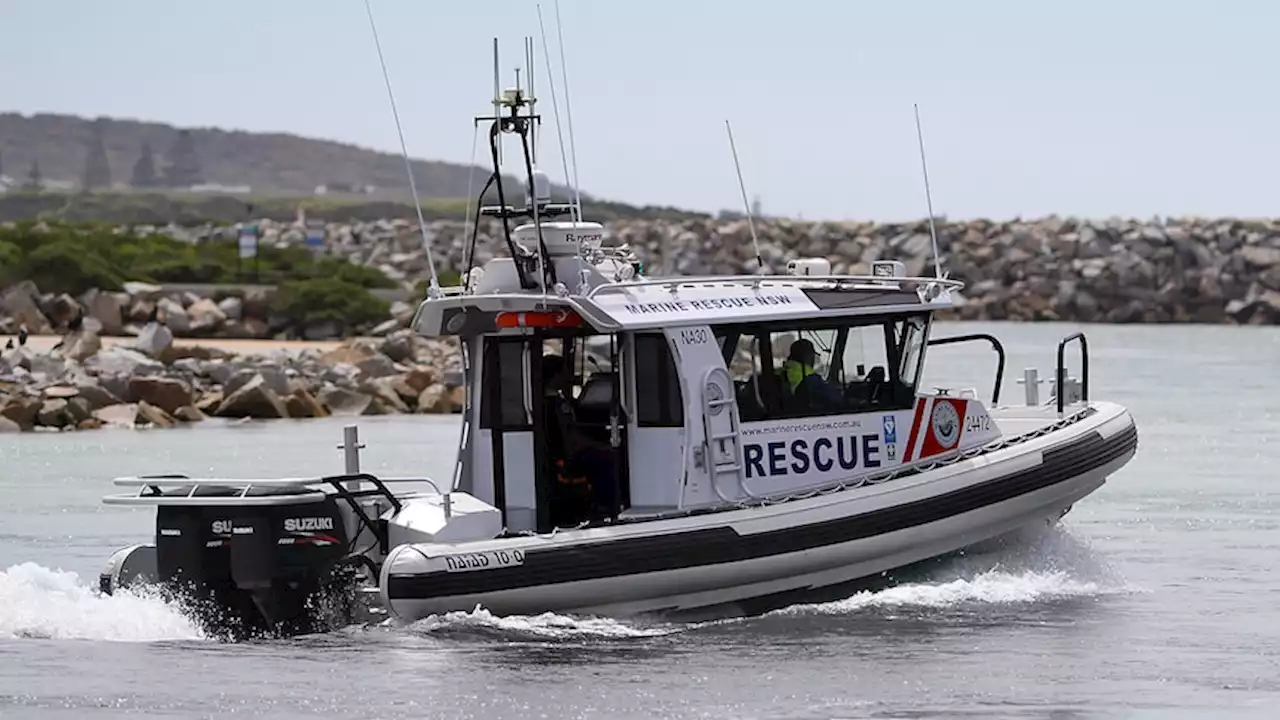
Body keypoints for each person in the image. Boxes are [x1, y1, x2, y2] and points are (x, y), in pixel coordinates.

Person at [541, 353, 617, 525]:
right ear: (555, 376)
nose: (569, 377)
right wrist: (599, 446)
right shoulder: (551, 405)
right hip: (565, 457)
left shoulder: (556, 400)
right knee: (606, 459)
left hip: (569, 451)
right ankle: (605, 508)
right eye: (564, 372)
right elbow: (570, 438)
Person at [781, 338, 843, 410]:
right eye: (813, 355)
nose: (813, 359)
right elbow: (836, 399)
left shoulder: (784, 372)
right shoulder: (809, 378)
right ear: (808, 356)